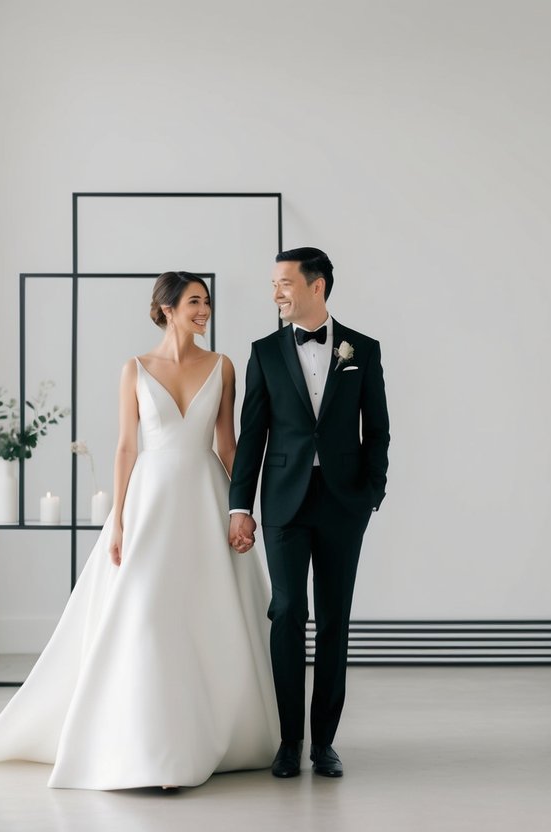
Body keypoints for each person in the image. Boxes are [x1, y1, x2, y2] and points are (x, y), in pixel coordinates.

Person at [0, 272, 278, 790]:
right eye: (194, 301)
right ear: (167, 309)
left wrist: (242, 508)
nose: (204, 310)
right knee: (148, 617)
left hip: (206, 499)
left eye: (207, 302)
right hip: (151, 503)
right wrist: (120, 518)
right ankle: (156, 750)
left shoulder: (223, 366)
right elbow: (126, 446)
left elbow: (228, 445)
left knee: (208, 615)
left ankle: (213, 736)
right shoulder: (135, 369)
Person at [228, 247, 389, 779]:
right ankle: (288, 741)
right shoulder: (265, 352)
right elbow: (252, 435)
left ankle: (324, 744)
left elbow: (378, 429)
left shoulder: (363, 349)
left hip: (344, 503)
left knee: (334, 620)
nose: (276, 293)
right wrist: (239, 506)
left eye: (284, 283)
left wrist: (372, 493)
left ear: (316, 286)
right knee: (288, 612)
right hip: (283, 503)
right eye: (273, 284)